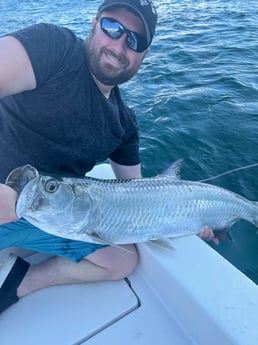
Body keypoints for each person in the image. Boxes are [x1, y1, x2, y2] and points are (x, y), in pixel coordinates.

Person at [0, 0, 217, 314]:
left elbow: (142, 198)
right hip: (18, 203)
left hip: (46, 214)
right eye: (113, 27)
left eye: (135, 40)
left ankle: (22, 281)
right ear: (94, 23)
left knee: (122, 259)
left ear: (143, 54)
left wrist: (187, 216)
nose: (119, 45)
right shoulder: (54, 48)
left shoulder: (124, 124)